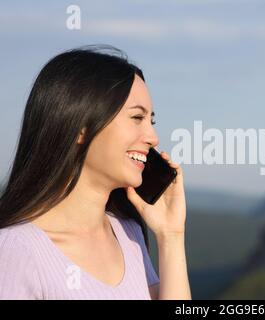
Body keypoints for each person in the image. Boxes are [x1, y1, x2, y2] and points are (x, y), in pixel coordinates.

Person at [0, 45, 191, 300]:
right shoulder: (16, 250)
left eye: (151, 121)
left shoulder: (128, 234)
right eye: (137, 118)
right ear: (80, 128)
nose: (153, 138)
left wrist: (171, 235)